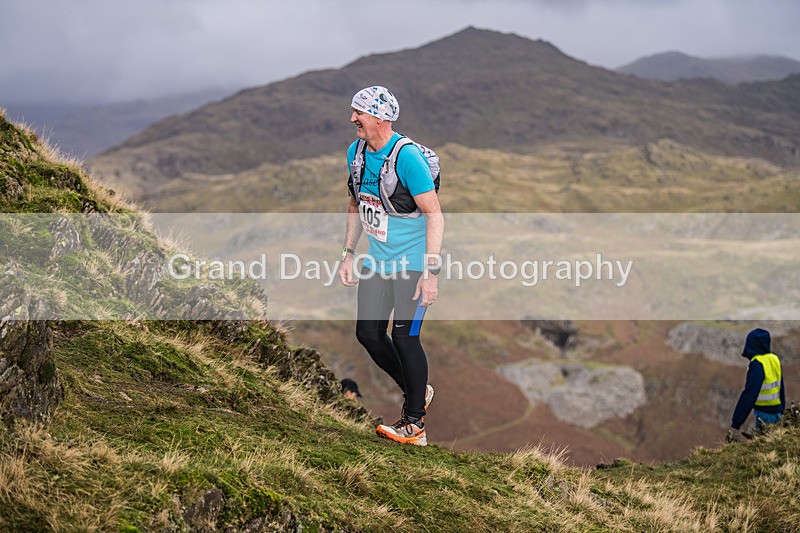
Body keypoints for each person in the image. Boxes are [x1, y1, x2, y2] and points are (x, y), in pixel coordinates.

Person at [338, 85, 443, 447]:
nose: (353, 118)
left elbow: (435, 216)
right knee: (367, 334)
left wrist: (431, 273)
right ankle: (418, 391)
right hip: (378, 261)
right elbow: (355, 207)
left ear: (381, 117)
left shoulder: (407, 159)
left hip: (413, 263)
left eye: (360, 112)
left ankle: (415, 425)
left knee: (404, 336)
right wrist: (348, 254)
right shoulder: (355, 153)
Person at [729, 328, 785, 440]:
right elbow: (781, 388)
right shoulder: (774, 359)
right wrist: (782, 408)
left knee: (764, 446)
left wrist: (737, 421)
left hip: (764, 415)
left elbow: (750, 393)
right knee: (776, 443)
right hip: (777, 413)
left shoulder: (757, 364)